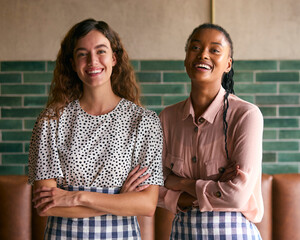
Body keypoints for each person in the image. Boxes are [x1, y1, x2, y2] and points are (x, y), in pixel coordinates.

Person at [28, 18, 163, 240]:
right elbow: (47, 206)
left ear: (114, 58)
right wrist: (121, 200)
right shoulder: (50, 121)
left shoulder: (144, 121)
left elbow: (147, 205)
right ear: (72, 63)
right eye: (82, 53)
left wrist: (75, 197)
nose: (92, 61)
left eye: (101, 51)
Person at [156, 23, 264, 239]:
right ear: (186, 59)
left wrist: (181, 184)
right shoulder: (167, 118)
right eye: (195, 48)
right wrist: (216, 188)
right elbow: (154, 188)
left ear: (228, 64)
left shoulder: (246, 115)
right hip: (182, 232)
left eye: (214, 50)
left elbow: (236, 198)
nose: (203, 54)